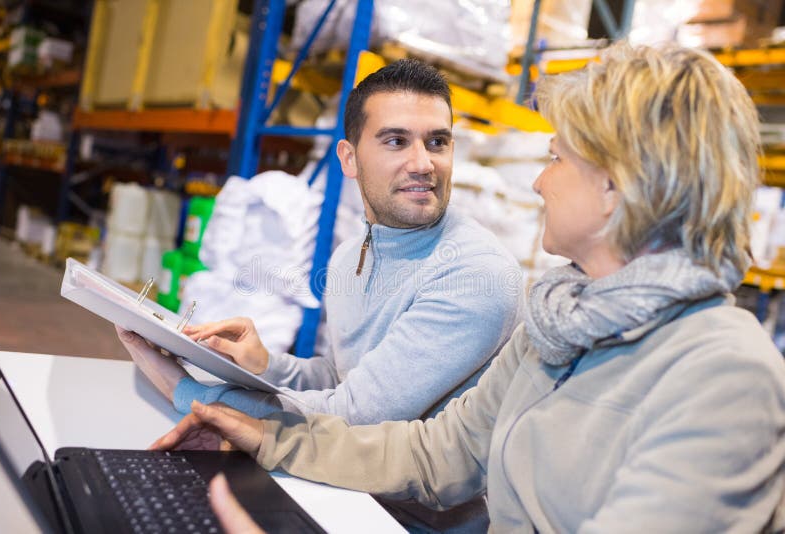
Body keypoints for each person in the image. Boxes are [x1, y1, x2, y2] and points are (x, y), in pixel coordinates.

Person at [152, 43, 785, 532]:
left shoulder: (726, 377)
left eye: (558, 157)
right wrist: (265, 436)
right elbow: (440, 453)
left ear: (619, 185)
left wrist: (190, 389)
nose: (539, 182)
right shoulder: (561, 324)